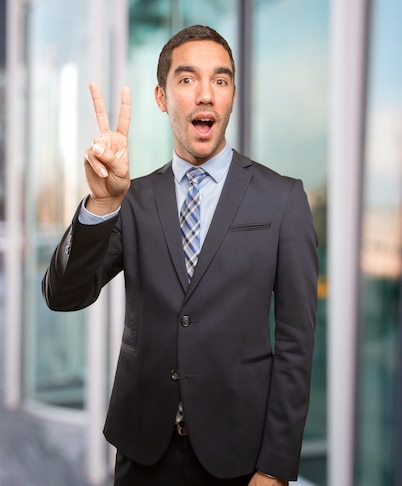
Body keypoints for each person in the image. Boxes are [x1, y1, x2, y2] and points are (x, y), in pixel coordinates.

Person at [42, 25, 318, 485]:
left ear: (231, 96)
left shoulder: (283, 199)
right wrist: (102, 205)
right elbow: (63, 294)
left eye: (221, 80)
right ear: (162, 97)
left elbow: (296, 345)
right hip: (143, 452)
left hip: (242, 457)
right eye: (188, 80)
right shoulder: (131, 198)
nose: (206, 94)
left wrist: (275, 467)